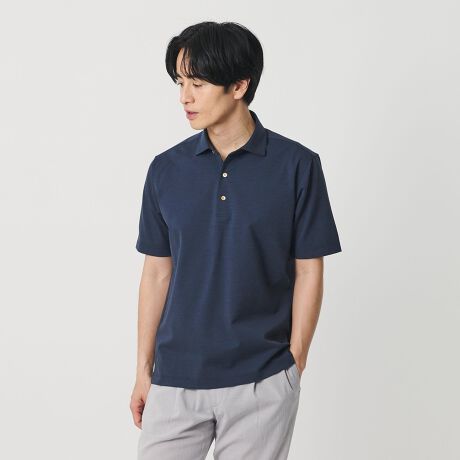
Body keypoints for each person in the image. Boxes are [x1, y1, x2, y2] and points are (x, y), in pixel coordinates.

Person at [130, 21, 342, 460]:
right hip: (174, 380)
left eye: (198, 84)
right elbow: (156, 274)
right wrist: (143, 370)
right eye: (180, 82)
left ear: (239, 86)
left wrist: (294, 364)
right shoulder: (165, 170)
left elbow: (309, 270)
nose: (184, 97)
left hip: (261, 380)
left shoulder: (297, 166)